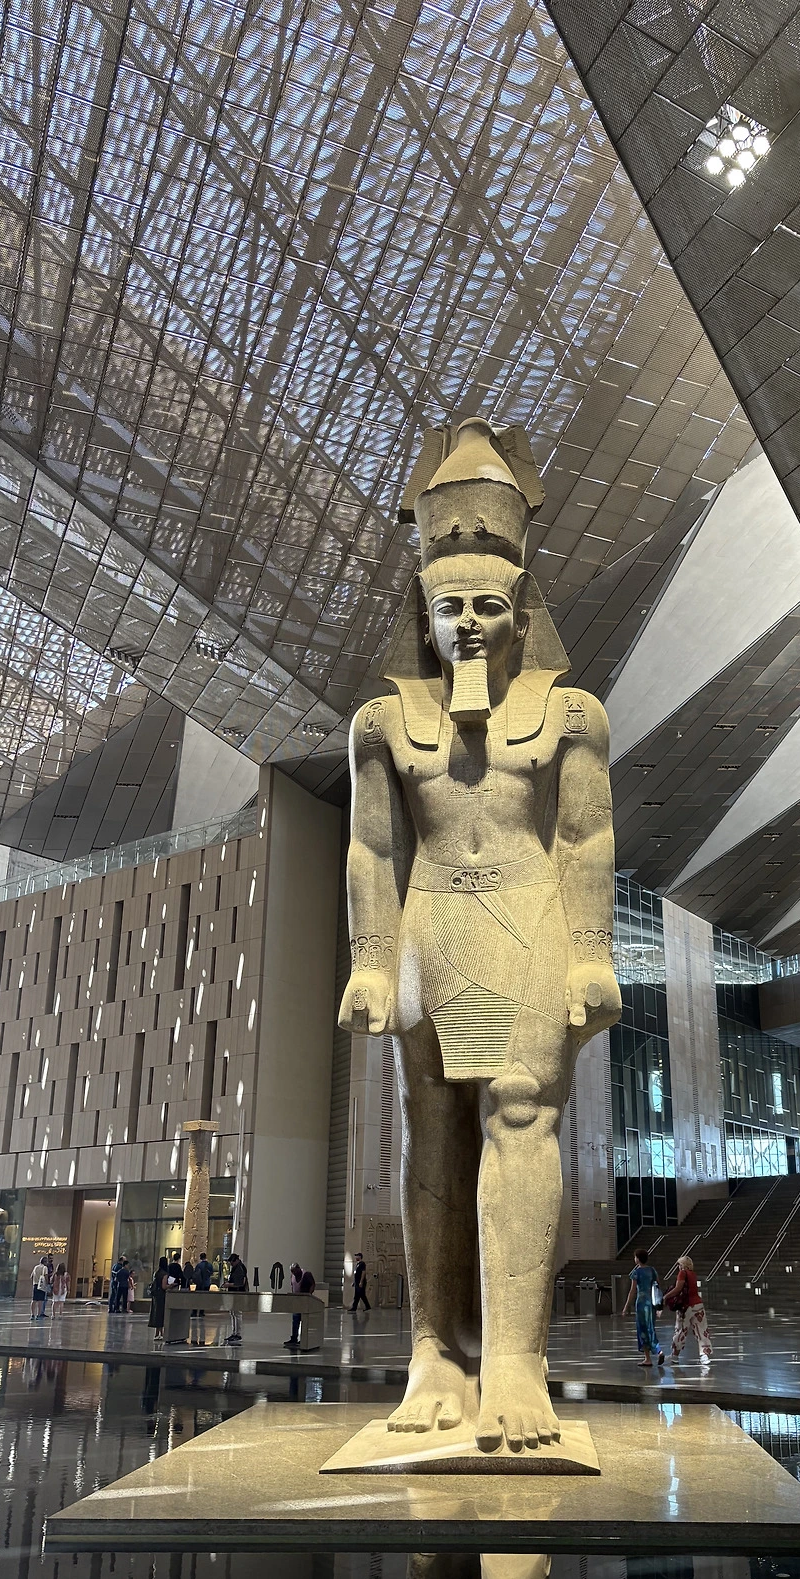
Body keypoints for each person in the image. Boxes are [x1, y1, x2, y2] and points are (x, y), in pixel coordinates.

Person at [335, 420, 621, 1453]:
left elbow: (584, 835)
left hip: (530, 915)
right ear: (422, 613)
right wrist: (370, 963)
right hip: (430, 926)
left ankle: (513, 1361)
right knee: (435, 1127)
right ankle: (432, 1352)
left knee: (519, 1111)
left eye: (486, 606)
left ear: (521, 611)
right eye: (448, 607)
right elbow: (372, 849)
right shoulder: (381, 725)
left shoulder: (571, 713)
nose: (466, 625)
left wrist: (592, 950)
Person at [664, 1255, 712, 1366]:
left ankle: (675, 1355)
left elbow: (678, 1288)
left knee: (681, 1330)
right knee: (701, 1330)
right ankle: (704, 1356)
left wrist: (666, 1296)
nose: (678, 1267)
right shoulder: (693, 1274)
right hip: (698, 1305)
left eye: (679, 1264)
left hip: (685, 1306)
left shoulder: (682, 1273)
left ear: (682, 1265)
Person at [622, 1247, 662, 1369]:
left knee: (642, 1330)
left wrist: (626, 1306)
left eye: (635, 1257)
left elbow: (632, 1291)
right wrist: (659, 1305)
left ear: (638, 1259)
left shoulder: (636, 1273)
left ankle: (648, 1358)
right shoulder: (652, 1270)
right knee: (650, 1327)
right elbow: (657, 1285)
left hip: (641, 1303)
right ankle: (658, 1351)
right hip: (651, 1303)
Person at [285, 1262, 315, 1349]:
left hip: (304, 1300)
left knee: (304, 1320)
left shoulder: (306, 1274)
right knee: (295, 1320)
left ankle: (303, 1339)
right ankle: (294, 1338)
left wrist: (309, 1295)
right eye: (292, 1271)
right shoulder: (292, 1276)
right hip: (296, 1301)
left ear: (298, 1269)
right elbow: (292, 1285)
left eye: (294, 1271)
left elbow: (313, 1284)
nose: (293, 1273)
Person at [224, 1251, 249, 1345]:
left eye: (232, 1262)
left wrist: (229, 1285)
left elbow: (240, 1283)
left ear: (236, 1261)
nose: (231, 1264)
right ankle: (234, 1332)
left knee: (237, 1314)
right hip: (234, 1294)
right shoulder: (236, 1268)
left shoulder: (240, 1268)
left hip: (238, 1294)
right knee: (233, 1313)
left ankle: (238, 1334)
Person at [149, 1256, 170, 1343]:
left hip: (155, 1295)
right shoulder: (164, 1274)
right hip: (162, 1295)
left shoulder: (156, 1273)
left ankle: (157, 1333)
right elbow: (164, 1286)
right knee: (161, 1314)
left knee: (156, 1313)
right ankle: (161, 1333)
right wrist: (171, 1285)